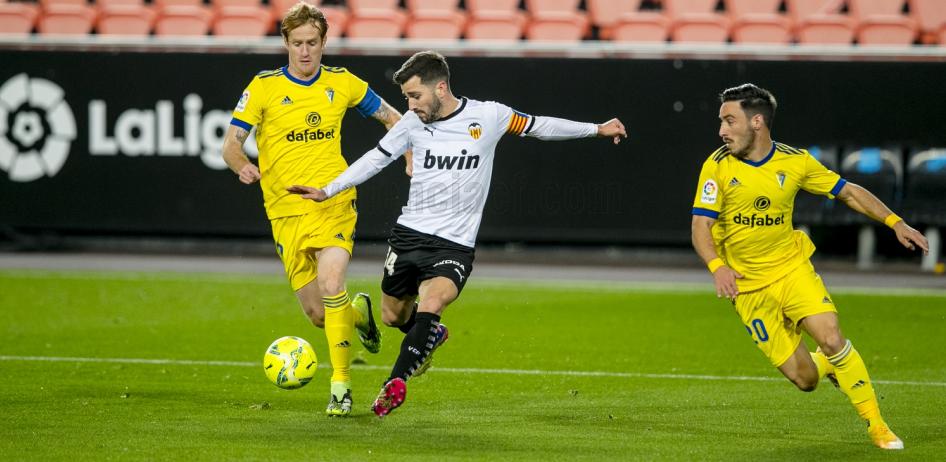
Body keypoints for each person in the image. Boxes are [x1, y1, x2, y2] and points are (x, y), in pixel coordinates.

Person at [287, 50, 627, 418]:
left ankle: (394, 382)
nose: (410, 105)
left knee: (433, 303)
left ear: (441, 87)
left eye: (415, 96)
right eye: (406, 98)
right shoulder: (411, 124)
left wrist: (596, 128)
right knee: (391, 315)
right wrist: (329, 189)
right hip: (409, 235)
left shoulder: (489, 116)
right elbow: (376, 158)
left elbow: (540, 126)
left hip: (455, 244)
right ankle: (428, 335)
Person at [690, 83, 929, 450]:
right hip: (747, 287)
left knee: (831, 336)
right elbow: (700, 226)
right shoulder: (717, 166)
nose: (721, 130)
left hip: (791, 269)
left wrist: (896, 222)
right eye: (721, 121)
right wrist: (717, 266)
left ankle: (878, 426)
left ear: (757, 122)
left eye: (729, 120)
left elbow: (848, 191)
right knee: (805, 379)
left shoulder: (795, 161)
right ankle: (829, 365)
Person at [221, 2, 406, 417]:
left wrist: (408, 151)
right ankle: (359, 314)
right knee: (319, 315)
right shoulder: (264, 86)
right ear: (285, 43)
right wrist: (242, 166)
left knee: (331, 278)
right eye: (297, 44)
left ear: (324, 43)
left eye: (313, 43)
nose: (305, 52)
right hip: (284, 210)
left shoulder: (342, 83)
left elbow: (393, 117)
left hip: (333, 199)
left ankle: (340, 385)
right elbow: (231, 144)